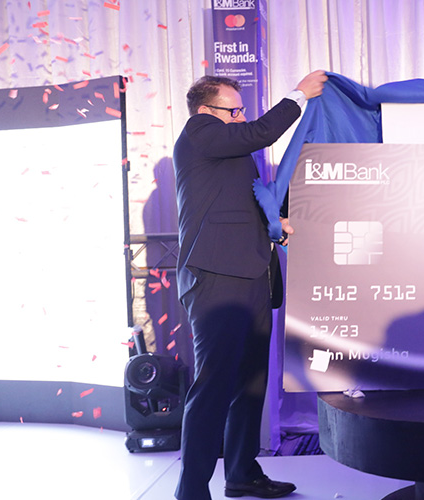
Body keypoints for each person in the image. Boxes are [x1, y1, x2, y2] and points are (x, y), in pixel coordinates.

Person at [173, 70, 327, 500]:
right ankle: (191, 491)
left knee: (250, 385)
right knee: (213, 388)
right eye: (234, 111)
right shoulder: (199, 132)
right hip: (217, 279)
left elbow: (238, 203)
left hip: (254, 275)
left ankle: (241, 472)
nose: (241, 117)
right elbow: (260, 132)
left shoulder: (228, 150)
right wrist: (299, 95)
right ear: (205, 111)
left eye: (242, 110)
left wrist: (274, 223)